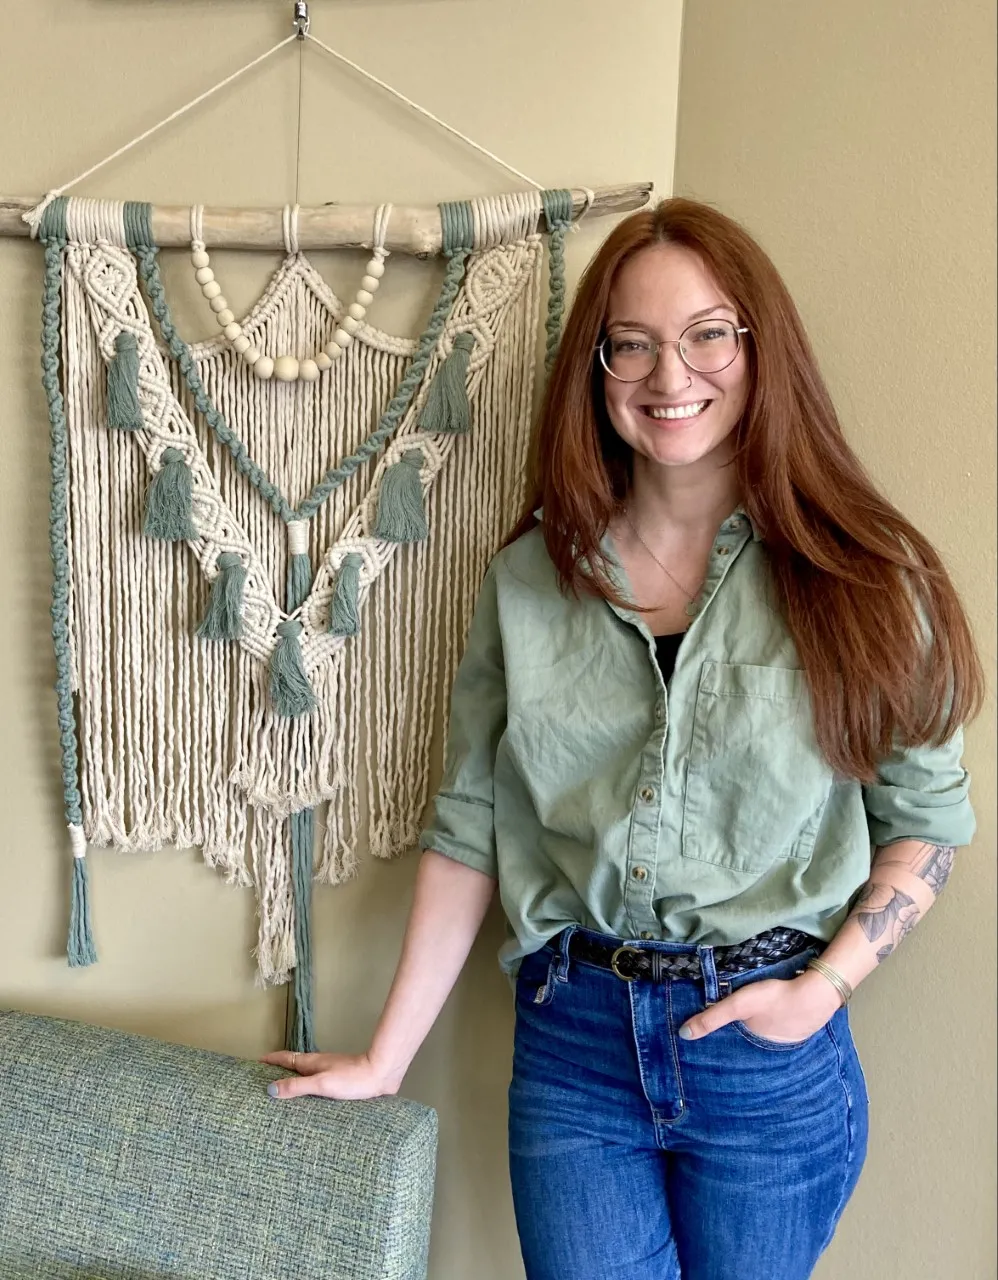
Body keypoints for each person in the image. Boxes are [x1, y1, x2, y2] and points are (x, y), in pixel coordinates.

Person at [262, 199, 983, 1280]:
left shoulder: (865, 577)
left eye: (706, 333)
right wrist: (384, 1054)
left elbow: (923, 826)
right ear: (595, 373)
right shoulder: (526, 581)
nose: (668, 374)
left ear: (757, 346)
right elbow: (470, 825)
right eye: (629, 344)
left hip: (764, 1056)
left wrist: (821, 989)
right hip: (573, 1048)